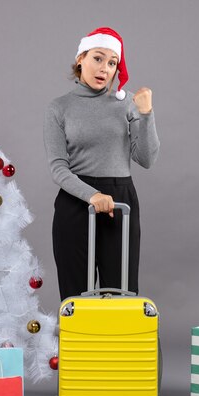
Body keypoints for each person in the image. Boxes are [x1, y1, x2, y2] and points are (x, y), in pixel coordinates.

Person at [44, 27, 160, 301]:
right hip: (76, 202)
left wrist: (146, 113)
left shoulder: (127, 103)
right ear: (80, 58)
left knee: (121, 295)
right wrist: (92, 195)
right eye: (97, 58)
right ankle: (81, 344)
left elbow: (146, 159)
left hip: (120, 201)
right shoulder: (58, 108)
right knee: (75, 295)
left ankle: (118, 345)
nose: (104, 69)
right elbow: (58, 168)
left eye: (112, 63)